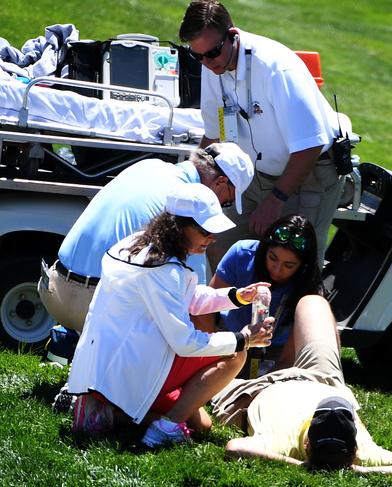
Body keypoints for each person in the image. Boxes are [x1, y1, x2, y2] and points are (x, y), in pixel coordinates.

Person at [67, 183, 274, 448]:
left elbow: (184, 298)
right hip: (132, 366)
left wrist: (235, 296)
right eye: (204, 231)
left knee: (202, 425)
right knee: (235, 355)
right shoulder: (164, 270)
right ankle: (162, 428)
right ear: (178, 226)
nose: (211, 237)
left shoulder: (134, 244)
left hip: (106, 366)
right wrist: (243, 338)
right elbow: (185, 342)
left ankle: (107, 412)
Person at [178, 0, 346, 265]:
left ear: (232, 36)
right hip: (256, 173)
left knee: (292, 264)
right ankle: (227, 305)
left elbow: (311, 145)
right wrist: (191, 182)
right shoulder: (213, 63)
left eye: (211, 53)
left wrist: (275, 200)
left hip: (307, 174)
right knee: (215, 241)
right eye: (196, 56)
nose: (207, 63)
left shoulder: (276, 68)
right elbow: (213, 133)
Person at [210, 294, 392, 476]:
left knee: (203, 364)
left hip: (254, 392)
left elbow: (234, 447)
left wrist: (299, 465)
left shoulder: (280, 444)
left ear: (307, 443)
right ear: (355, 450)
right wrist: (362, 471)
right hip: (319, 377)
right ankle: (280, 358)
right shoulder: (366, 454)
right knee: (313, 302)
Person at [38, 142, 254, 333]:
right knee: (168, 335)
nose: (222, 208)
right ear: (220, 181)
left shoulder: (149, 165)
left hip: (54, 288)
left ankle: (70, 344)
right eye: (227, 202)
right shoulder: (187, 203)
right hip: (97, 305)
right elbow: (191, 304)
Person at [205, 214, 323, 374]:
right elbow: (206, 306)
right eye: (272, 258)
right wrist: (207, 355)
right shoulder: (242, 253)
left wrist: (272, 380)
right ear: (264, 249)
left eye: (288, 265)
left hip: (275, 349)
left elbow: (289, 357)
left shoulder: (308, 284)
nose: (276, 269)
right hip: (231, 338)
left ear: (303, 266)